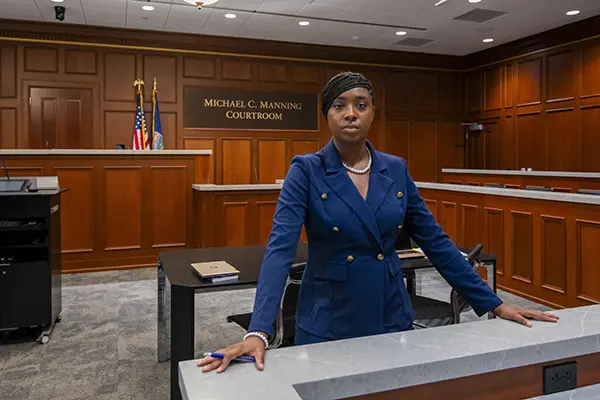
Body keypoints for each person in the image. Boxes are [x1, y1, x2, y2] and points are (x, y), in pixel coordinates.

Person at [199, 71, 559, 374]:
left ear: (373, 113)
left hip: (389, 311)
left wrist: (493, 303)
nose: (351, 113)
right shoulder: (305, 171)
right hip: (329, 316)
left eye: (361, 104)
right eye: (339, 106)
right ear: (327, 116)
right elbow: (279, 252)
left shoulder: (395, 169)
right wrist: (259, 331)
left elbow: (435, 241)